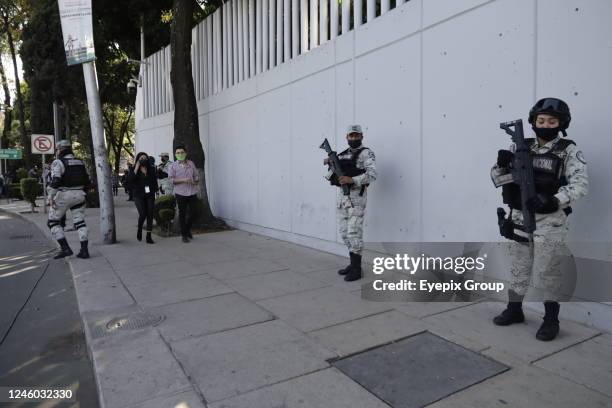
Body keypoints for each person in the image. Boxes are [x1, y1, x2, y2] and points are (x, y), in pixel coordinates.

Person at [491, 97, 588, 341]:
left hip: (550, 221)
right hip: (519, 216)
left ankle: (551, 320)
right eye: (541, 120)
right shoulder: (520, 147)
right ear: (533, 122)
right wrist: (502, 166)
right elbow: (497, 180)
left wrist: (554, 200)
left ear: (561, 123)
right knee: (519, 266)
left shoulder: (568, 151)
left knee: (548, 271)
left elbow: (580, 186)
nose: (545, 124)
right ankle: (514, 310)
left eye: (551, 121)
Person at [323, 125, 377, 282]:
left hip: (356, 198)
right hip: (343, 198)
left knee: (354, 232)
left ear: (361, 136)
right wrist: (330, 162)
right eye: (351, 136)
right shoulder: (343, 154)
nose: (353, 138)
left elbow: (373, 175)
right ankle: (352, 264)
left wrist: (352, 180)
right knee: (344, 232)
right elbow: (335, 172)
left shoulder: (366, 153)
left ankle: (357, 269)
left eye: (356, 135)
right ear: (346, 137)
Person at [47, 140, 91, 259]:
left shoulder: (58, 162)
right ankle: (84, 250)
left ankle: (65, 249)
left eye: (57, 150)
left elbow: (55, 181)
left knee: (53, 222)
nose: (57, 152)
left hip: (64, 195)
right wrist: (83, 193)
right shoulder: (80, 162)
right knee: (80, 222)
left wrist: (50, 196)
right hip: (80, 195)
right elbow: (88, 181)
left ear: (60, 150)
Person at [168, 145, 199, 243]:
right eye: (177, 153)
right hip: (180, 193)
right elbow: (171, 180)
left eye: (182, 152)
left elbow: (196, 175)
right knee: (182, 214)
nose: (180, 154)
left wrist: (195, 181)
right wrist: (184, 180)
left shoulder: (191, 163)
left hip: (192, 191)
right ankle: (184, 234)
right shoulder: (173, 165)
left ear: (185, 153)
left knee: (194, 212)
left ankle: (187, 229)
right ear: (175, 154)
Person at [128, 152, 158, 244]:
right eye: (141, 158)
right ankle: (140, 228)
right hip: (138, 195)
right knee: (143, 214)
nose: (143, 160)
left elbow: (154, 181)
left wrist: (156, 191)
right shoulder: (133, 169)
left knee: (150, 214)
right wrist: (137, 167)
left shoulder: (151, 169)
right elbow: (130, 180)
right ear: (138, 159)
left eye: (145, 158)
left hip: (150, 194)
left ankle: (148, 236)